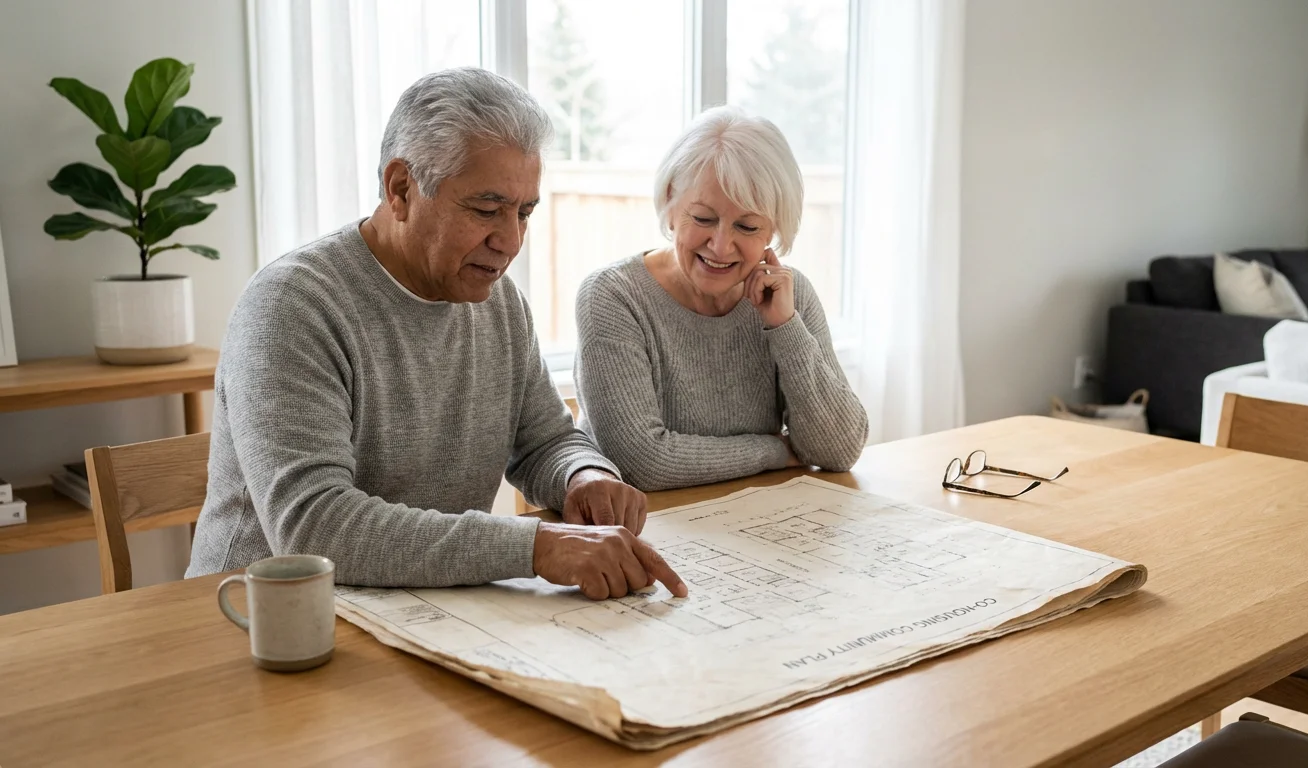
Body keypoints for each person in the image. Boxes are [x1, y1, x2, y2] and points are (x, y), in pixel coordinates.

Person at [187, 68, 686, 602]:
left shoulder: (498, 299)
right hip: (254, 620)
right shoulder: (292, 304)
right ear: (401, 187)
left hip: (420, 610)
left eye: (524, 212)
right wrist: (535, 547)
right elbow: (313, 525)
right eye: (487, 210)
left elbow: (546, 441)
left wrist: (583, 476)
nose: (511, 241)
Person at [573, 106, 868, 492]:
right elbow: (642, 463)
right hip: (644, 530)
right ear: (670, 201)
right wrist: (777, 451)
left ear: (773, 229)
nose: (721, 245)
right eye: (703, 218)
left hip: (755, 526)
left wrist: (785, 327)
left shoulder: (788, 295)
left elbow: (839, 450)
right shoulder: (613, 297)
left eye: (746, 226)